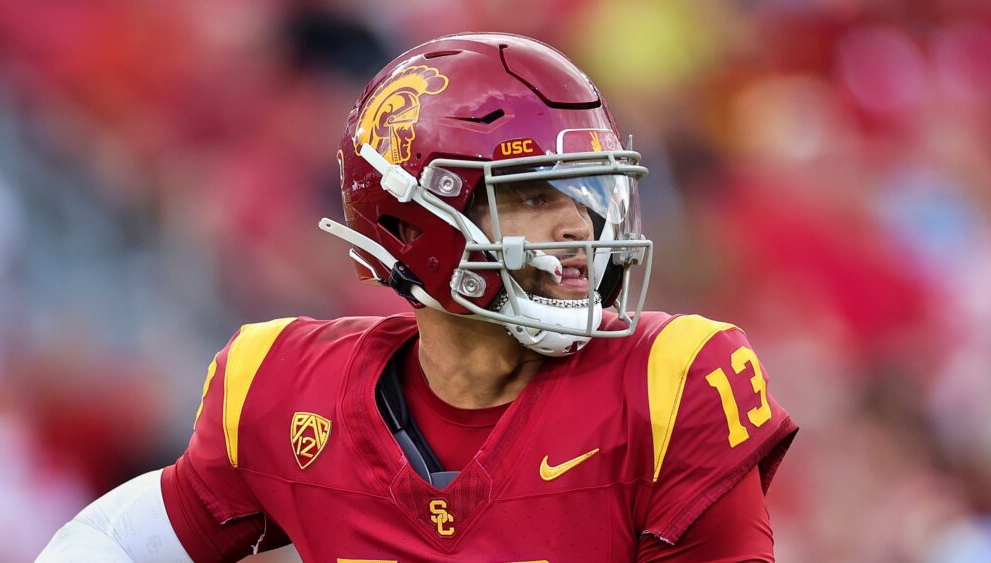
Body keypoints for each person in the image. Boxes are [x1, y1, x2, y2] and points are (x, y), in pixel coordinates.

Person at [39, 32, 798, 562]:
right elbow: (113, 543)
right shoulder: (285, 391)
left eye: (591, 192)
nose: (580, 225)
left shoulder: (671, 383)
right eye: (532, 196)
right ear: (415, 221)